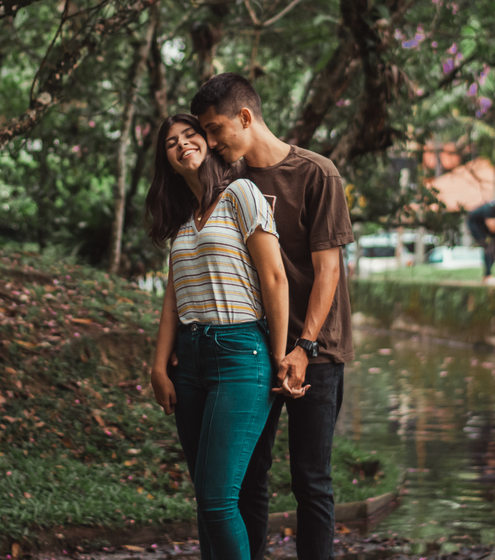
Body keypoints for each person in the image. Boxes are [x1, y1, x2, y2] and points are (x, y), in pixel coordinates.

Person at [191, 73, 355, 560]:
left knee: (311, 480)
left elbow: (328, 272)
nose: (213, 143)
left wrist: (303, 348)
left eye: (217, 130)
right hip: (253, 353)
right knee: (249, 477)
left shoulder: (316, 173)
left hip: (316, 352)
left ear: (246, 117)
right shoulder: (228, 184)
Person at [145, 113, 296, 560]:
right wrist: (158, 365)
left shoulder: (240, 194)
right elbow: (173, 298)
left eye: (190, 135)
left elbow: (274, 278)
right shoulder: (182, 221)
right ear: (167, 160)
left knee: (217, 500)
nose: (182, 144)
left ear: (208, 144)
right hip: (189, 362)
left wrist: (279, 354)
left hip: (241, 353)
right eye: (171, 142)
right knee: (206, 503)